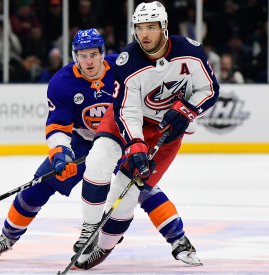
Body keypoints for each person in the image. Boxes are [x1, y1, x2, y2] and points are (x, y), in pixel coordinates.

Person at [0, 28, 186, 261]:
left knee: (141, 186)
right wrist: (60, 153)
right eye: (82, 55)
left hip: (119, 139)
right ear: (74, 55)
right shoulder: (62, 83)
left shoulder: (121, 68)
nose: (88, 61)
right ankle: (7, 237)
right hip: (81, 143)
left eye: (94, 54)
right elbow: (57, 126)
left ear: (102, 54)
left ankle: (179, 240)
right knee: (37, 186)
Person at [75, 1, 219, 269]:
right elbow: (127, 111)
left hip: (167, 132)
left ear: (164, 27)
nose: (144, 34)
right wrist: (136, 144)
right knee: (97, 161)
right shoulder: (127, 62)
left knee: (126, 194)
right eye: (139, 28)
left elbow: (209, 90)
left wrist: (187, 110)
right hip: (127, 122)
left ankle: (103, 247)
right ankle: (88, 229)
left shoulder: (191, 52)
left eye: (151, 27)